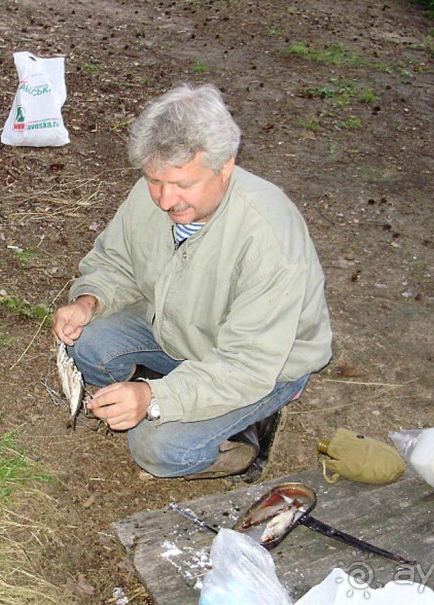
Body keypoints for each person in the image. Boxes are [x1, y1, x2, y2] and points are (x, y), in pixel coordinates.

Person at [51, 83, 332, 480]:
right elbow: (116, 260)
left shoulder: (268, 236)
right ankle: (176, 394)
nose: (165, 200)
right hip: (178, 330)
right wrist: (89, 301)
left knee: (157, 448)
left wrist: (154, 397)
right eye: (154, 181)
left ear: (225, 166)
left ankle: (245, 433)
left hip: (263, 365)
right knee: (88, 340)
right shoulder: (152, 193)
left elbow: (246, 363)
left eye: (183, 185)